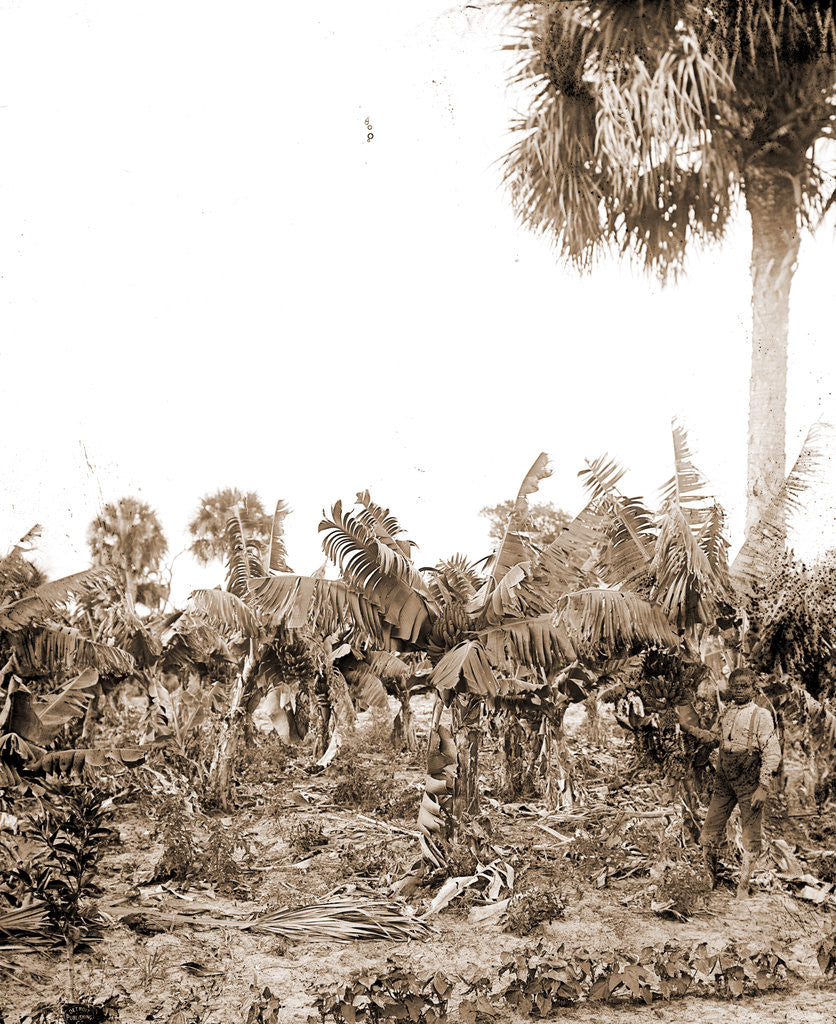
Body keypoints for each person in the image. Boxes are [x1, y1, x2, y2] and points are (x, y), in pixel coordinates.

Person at [699, 667, 782, 897]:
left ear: (754, 689)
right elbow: (717, 738)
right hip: (725, 779)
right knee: (709, 829)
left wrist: (763, 787)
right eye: (735, 686)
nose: (738, 691)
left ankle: (743, 886)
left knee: (750, 836)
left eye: (744, 686)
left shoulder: (761, 715)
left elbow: (772, 753)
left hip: (750, 781)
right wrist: (692, 731)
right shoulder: (727, 711)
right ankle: (709, 879)